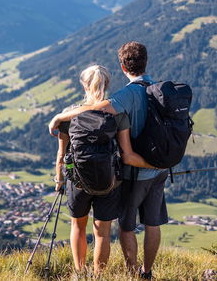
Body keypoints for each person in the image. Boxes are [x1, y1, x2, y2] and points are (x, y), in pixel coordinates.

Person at [50, 42, 168, 279]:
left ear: (84, 84)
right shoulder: (118, 114)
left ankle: (79, 273)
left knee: (78, 227)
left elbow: (62, 155)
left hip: (78, 181)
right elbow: (125, 151)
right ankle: (99, 275)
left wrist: (59, 180)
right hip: (109, 181)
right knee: (102, 232)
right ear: (107, 84)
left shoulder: (71, 113)